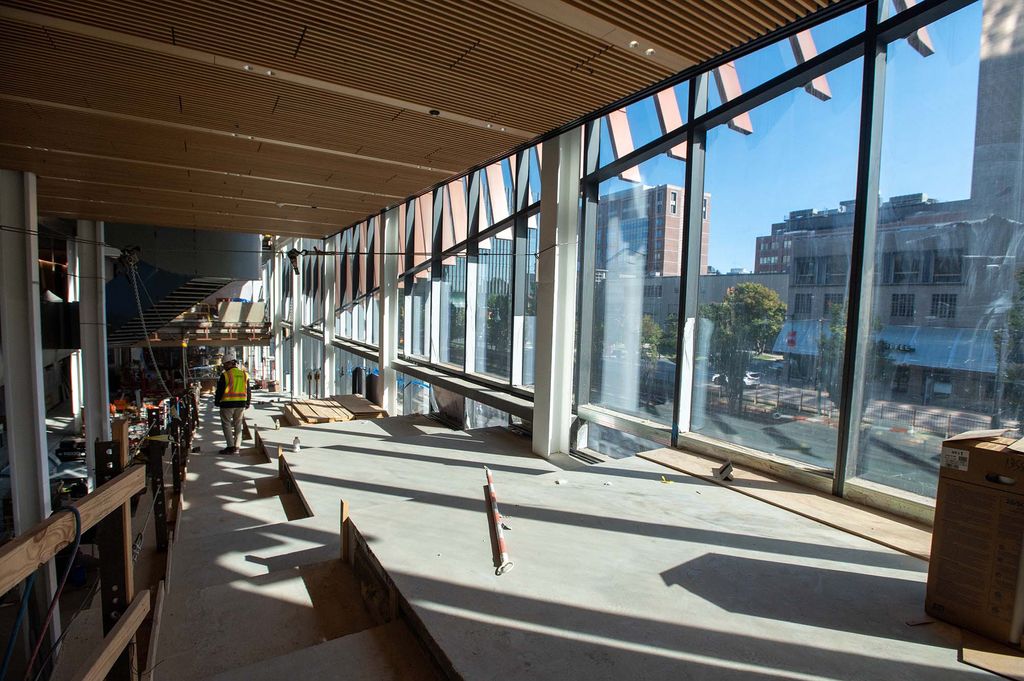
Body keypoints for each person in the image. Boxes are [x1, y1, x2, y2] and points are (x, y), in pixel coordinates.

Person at [214, 351, 251, 454]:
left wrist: (217, 401)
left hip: (227, 404)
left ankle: (230, 447)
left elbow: (220, 390)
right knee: (238, 424)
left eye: (225, 364)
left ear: (229, 363)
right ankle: (237, 446)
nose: (224, 366)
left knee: (226, 424)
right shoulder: (244, 374)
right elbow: (248, 390)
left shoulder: (225, 375)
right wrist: (248, 402)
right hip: (241, 403)